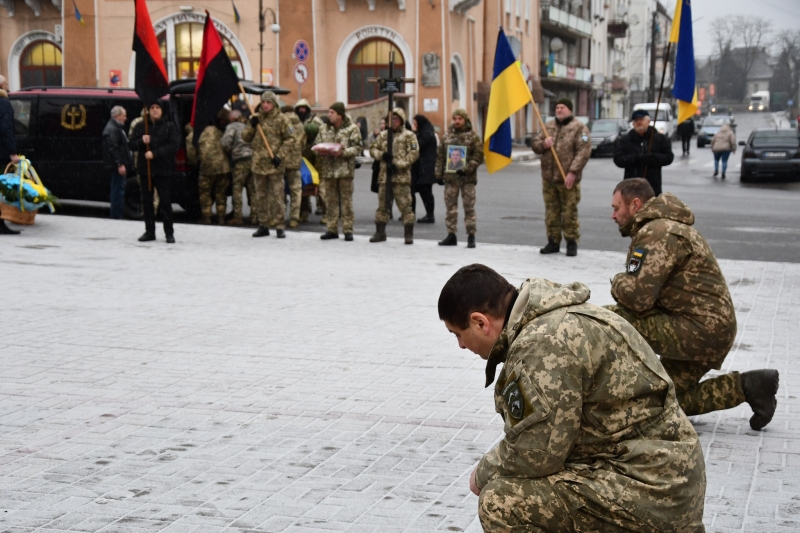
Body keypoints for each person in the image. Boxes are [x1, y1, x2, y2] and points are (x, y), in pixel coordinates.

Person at [438, 264, 707, 532]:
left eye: (458, 334)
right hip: (661, 481)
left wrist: (483, 472)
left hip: (651, 492)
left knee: (501, 501)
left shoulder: (542, 342)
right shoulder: (556, 318)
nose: (461, 345)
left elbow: (536, 454)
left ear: (480, 322)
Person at [609, 178, 779, 430]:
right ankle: (750, 387)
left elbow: (638, 299)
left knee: (610, 320)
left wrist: (617, 282)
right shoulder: (667, 227)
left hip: (697, 331)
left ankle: (598, 383)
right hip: (707, 329)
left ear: (635, 205)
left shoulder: (657, 232)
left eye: (616, 207)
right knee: (657, 405)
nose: (613, 215)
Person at [531, 98, 591, 257]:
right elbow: (535, 144)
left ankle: (571, 242)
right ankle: (553, 241)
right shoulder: (548, 126)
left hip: (567, 179)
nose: (559, 110)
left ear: (570, 110)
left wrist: (573, 172)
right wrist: (543, 144)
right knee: (551, 212)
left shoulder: (579, 128)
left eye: (562, 107)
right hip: (549, 178)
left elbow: (583, 151)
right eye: (557, 107)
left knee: (569, 212)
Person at [243, 91, 294, 239]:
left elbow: (290, 139)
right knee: (260, 197)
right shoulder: (256, 118)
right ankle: (263, 225)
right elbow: (245, 137)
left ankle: (279, 225)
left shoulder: (281, 119)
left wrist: (280, 156)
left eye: (268, 102)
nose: (265, 105)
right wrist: (252, 126)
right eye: (263, 102)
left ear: (274, 104)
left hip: (274, 164)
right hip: (259, 165)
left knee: (278, 196)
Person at [128, 101, 180, 243]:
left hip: (163, 170)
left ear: (162, 111)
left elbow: (174, 146)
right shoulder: (141, 126)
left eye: (157, 108)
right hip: (146, 170)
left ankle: (169, 233)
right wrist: (141, 141)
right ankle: (149, 231)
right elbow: (131, 144)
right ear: (148, 110)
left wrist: (155, 153)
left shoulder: (169, 126)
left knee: (165, 202)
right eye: (152, 108)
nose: (155, 110)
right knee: (147, 202)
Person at [369, 108, 419, 245]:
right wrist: (382, 155)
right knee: (382, 206)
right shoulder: (383, 135)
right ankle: (380, 232)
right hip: (385, 177)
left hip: (401, 178)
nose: (393, 122)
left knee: (406, 207)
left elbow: (414, 154)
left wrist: (398, 165)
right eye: (391, 119)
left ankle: (408, 234)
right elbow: (373, 149)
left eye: (396, 119)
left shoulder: (409, 135)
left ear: (402, 120)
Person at [435, 109, 483, 248]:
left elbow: (479, 156)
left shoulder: (473, 137)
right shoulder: (447, 136)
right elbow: (441, 157)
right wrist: (438, 174)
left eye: (459, 119)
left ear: (465, 119)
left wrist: (467, 168)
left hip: (467, 179)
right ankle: (451, 235)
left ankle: (471, 236)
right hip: (451, 179)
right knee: (450, 209)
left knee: (469, 208)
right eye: (455, 118)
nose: (457, 121)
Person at [314, 102, 362, 241]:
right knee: (331, 201)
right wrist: (320, 152)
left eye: (332, 112)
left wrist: (343, 152)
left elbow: (358, 147)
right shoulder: (324, 129)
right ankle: (332, 229)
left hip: (345, 171)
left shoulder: (352, 129)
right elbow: (316, 145)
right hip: (329, 171)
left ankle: (348, 230)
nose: (329, 115)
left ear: (340, 115)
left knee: (346, 201)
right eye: (328, 112)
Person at [613, 109, 674, 196]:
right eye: (636, 120)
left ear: (648, 121)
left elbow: (668, 157)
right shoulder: (625, 140)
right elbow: (618, 159)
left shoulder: (660, 139)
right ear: (633, 124)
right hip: (631, 187)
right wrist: (637, 158)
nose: (639, 122)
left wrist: (652, 158)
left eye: (641, 120)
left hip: (653, 187)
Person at [186, 108, 231, 225]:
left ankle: (207, 217)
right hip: (223, 166)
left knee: (205, 193)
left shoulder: (193, 135)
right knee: (221, 192)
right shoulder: (216, 130)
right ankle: (221, 217)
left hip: (207, 168)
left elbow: (191, 155)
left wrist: (196, 163)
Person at [221, 110, 258, 226]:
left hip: (240, 161)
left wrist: (231, 152)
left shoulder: (232, 126)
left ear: (232, 118)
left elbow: (225, 143)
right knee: (253, 189)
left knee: (237, 188)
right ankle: (254, 216)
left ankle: (238, 216)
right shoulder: (248, 125)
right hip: (253, 159)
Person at [294, 99, 326, 221]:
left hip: (316, 154)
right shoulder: (295, 122)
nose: (302, 110)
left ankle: (325, 210)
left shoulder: (316, 121)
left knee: (320, 183)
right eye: (300, 108)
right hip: (303, 155)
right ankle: (304, 211)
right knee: (303, 183)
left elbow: (323, 133)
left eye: (304, 108)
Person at [102, 106, 132, 220]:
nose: (125, 118)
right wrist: (120, 163)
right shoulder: (112, 129)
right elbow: (113, 148)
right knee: (117, 190)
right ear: (117, 116)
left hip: (117, 164)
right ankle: (116, 216)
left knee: (119, 189)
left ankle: (117, 214)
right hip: (116, 166)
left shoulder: (115, 127)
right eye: (124, 115)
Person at [0, 74, 21, 235]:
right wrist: (13, 152)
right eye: (5, 84)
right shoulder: (4, 104)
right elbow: (6, 130)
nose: (7, 87)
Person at [280, 105, 306, 228]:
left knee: (280, 190)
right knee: (296, 190)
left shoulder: (281, 122)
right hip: (295, 162)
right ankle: (294, 218)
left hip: (281, 160)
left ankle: (281, 216)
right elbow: (303, 144)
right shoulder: (300, 125)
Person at [411, 114, 437, 223]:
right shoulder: (424, 132)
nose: (414, 125)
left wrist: (413, 133)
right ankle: (412, 214)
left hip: (426, 168)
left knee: (426, 193)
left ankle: (430, 215)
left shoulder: (427, 134)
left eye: (415, 123)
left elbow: (417, 146)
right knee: (418, 191)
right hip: (421, 168)